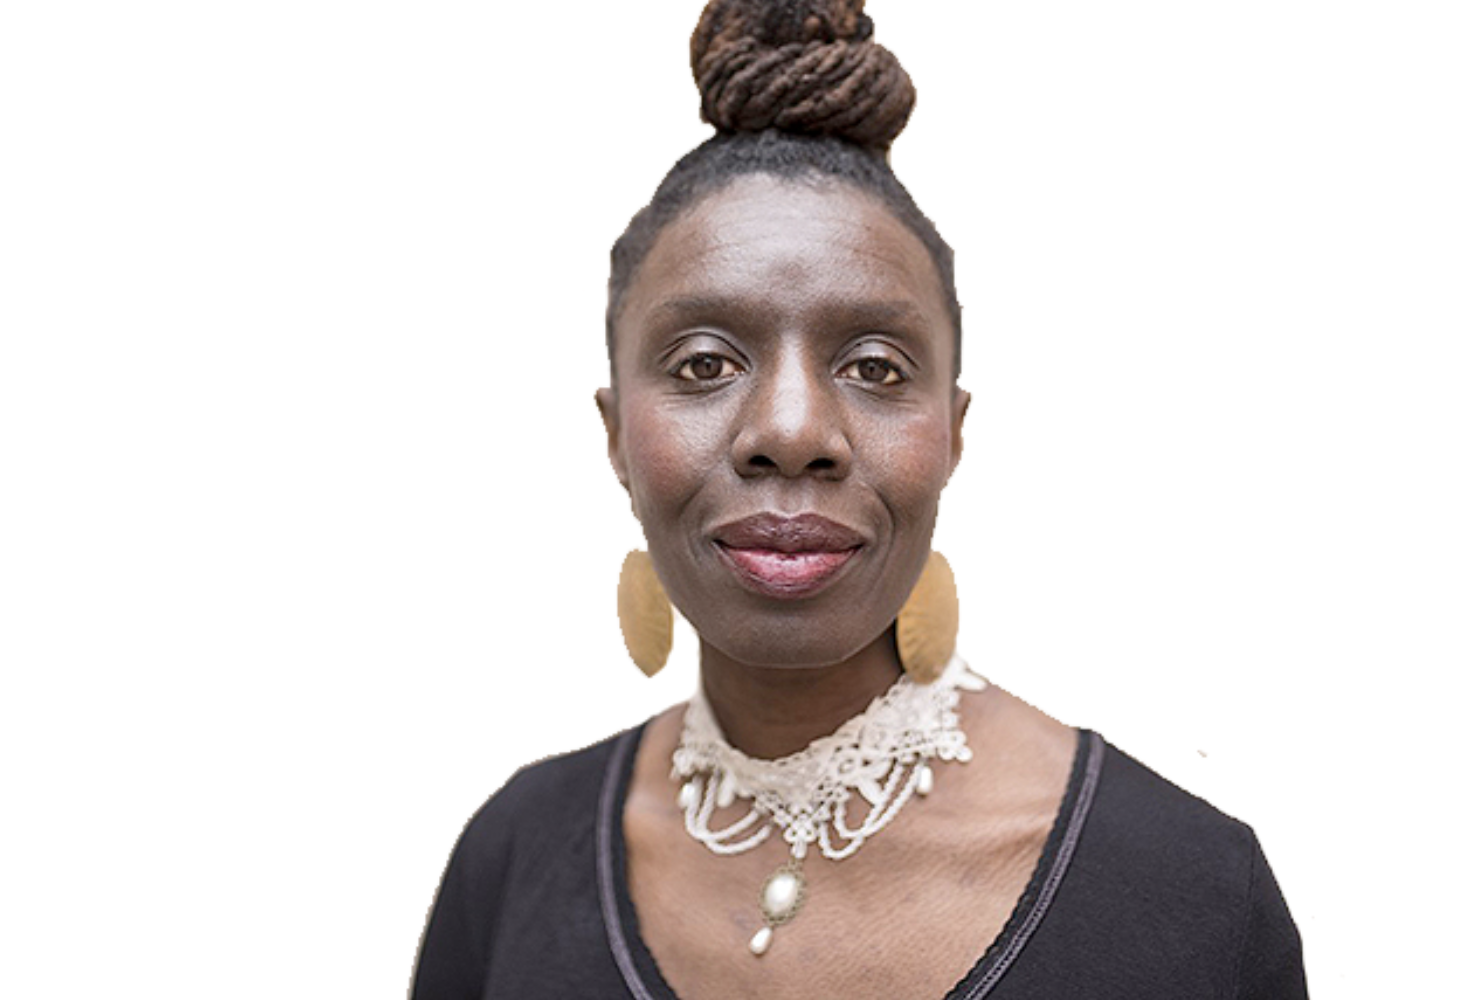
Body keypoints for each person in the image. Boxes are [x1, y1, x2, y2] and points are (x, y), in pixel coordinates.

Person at [410, 1, 1307, 996]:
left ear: (953, 434)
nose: (793, 430)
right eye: (705, 362)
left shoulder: (1193, 895)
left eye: (875, 367)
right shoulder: (510, 864)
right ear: (616, 433)